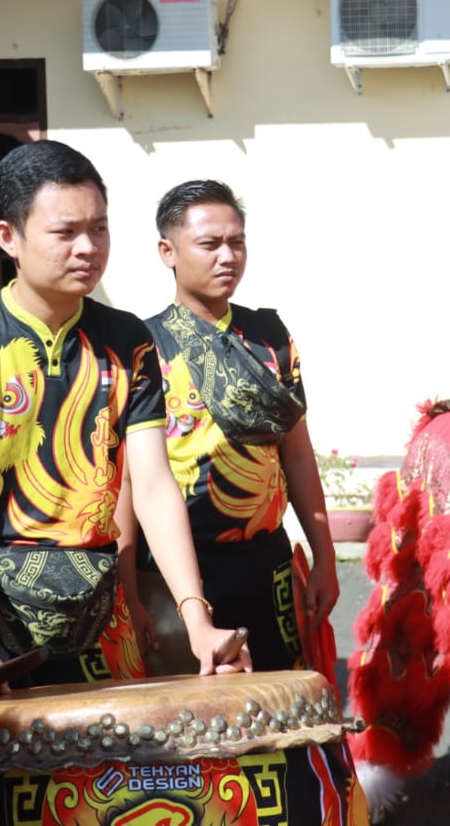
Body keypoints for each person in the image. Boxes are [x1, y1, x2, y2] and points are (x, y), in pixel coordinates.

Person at [0, 142, 249, 824]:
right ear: (8, 236)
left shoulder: (128, 342)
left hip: (102, 622)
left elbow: (151, 487)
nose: (88, 246)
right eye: (65, 231)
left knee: (121, 798)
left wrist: (196, 618)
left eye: (99, 227)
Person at [126, 179, 340, 673]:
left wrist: (324, 554)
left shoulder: (270, 338)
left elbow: (298, 453)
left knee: (278, 713)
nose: (228, 256)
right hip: (180, 573)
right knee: (193, 728)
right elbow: (129, 480)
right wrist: (129, 591)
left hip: (267, 562)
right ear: (168, 251)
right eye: (209, 244)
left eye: (236, 241)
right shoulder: (142, 347)